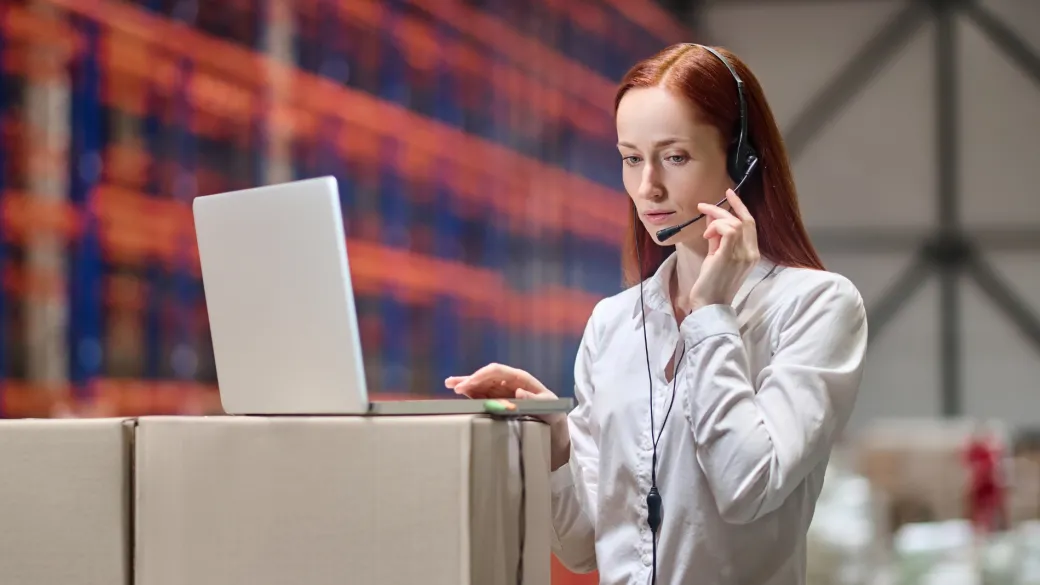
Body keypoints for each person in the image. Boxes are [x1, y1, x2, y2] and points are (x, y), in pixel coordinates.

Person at [446, 43, 868, 585]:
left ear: (741, 161)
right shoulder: (614, 324)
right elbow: (581, 546)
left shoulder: (816, 307)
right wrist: (555, 441)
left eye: (675, 157)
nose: (648, 188)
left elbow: (746, 487)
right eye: (630, 158)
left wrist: (711, 315)